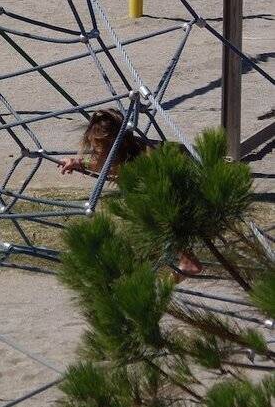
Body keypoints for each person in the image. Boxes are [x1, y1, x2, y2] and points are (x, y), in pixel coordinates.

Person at [57, 108, 203, 279]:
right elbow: (101, 164)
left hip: (193, 185)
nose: (94, 156)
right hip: (179, 183)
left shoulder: (144, 163)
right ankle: (179, 256)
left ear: (118, 146)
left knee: (153, 212)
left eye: (97, 151)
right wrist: (76, 162)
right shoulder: (126, 155)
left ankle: (186, 260)